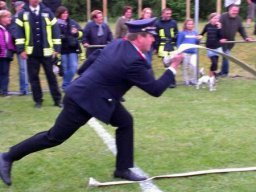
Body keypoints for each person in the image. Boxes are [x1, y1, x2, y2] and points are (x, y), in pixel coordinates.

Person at [0, 17, 183, 186]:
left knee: (125, 122)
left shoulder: (119, 44)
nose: (153, 40)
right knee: (54, 137)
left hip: (94, 95)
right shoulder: (133, 60)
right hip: (83, 100)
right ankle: (8, 156)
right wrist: (173, 67)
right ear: (139, 38)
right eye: (151, 36)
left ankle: (122, 168)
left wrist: (85, 78)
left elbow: (94, 57)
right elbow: (156, 90)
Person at [15, 0, 62, 108]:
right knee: (33, 78)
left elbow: (55, 30)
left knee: (51, 77)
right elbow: (19, 33)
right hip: (31, 53)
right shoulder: (22, 14)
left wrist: (57, 48)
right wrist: (21, 50)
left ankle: (58, 100)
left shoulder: (48, 12)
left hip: (47, 52)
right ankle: (38, 101)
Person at [218, 4, 252, 77]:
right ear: (229, 10)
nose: (235, 12)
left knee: (225, 56)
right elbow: (218, 27)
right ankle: (224, 73)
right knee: (226, 55)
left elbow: (241, 29)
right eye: (234, 10)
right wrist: (220, 37)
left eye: (237, 11)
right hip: (222, 41)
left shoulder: (238, 19)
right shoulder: (223, 17)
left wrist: (246, 37)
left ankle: (222, 72)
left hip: (230, 42)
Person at [56, 6, 82, 91]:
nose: (65, 15)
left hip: (72, 48)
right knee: (65, 68)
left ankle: (65, 85)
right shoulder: (55, 23)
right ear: (59, 14)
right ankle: (66, 86)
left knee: (74, 67)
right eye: (63, 13)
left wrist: (76, 33)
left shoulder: (72, 22)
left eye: (66, 13)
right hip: (62, 49)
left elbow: (81, 33)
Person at [8, 1, 29, 95]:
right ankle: (23, 89)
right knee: (23, 69)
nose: (22, 8)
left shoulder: (27, 17)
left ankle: (27, 88)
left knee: (28, 68)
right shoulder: (14, 19)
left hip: (29, 46)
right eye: (20, 7)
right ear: (16, 8)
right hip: (19, 47)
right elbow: (13, 31)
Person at [155, 8, 179, 88]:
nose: (169, 15)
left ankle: (172, 81)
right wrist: (156, 47)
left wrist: (175, 37)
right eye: (167, 13)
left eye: (170, 13)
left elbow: (177, 33)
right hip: (163, 45)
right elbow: (156, 36)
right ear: (163, 14)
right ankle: (169, 81)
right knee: (166, 64)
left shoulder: (173, 22)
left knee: (172, 63)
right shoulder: (158, 23)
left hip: (172, 45)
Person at [177, 18, 201, 86]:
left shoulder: (195, 32)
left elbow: (197, 43)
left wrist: (198, 39)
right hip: (185, 52)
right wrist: (180, 51)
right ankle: (186, 81)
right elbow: (179, 43)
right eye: (189, 24)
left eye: (191, 24)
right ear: (186, 25)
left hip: (193, 52)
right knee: (185, 67)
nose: (190, 25)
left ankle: (193, 80)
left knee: (193, 66)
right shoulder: (182, 33)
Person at [200, 13, 223, 81]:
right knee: (214, 62)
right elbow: (202, 34)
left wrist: (219, 28)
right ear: (211, 19)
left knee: (216, 64)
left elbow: (221, 36)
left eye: (217, 18)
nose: (216, 20)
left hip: (218, 47)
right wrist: (199, 37)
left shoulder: (219, 26)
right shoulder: (207, 26)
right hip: (209, 47)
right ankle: (211, 76)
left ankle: (213, 77)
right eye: (215, 18)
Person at [0, 10, 15, 96]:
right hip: (1, 54)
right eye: (8, 17)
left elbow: (10, 42)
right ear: (2, 18)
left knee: (5, 73)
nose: (10, 19)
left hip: (7, 55)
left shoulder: (9, 29)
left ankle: (4, 91)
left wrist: (12, 50)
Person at [140, 7, 154, 75]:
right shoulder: (139, 23)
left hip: (150, 47)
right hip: (142, 46)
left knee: (149, 62)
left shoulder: (152, 23)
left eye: (150, 13)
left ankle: (148, 78)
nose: (149, 14)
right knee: (147, 63)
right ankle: (151, 79)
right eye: (147, 13)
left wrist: (155, 46)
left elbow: (154, 36)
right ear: (143, 13)